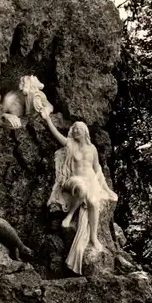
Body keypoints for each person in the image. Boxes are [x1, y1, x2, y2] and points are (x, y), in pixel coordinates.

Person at [40, 107, 117, 254]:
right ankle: (69, 215)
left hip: (91, 180)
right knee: (81, 188)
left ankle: (94, 237)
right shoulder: (70, 144)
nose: (75, 131)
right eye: (74, 129)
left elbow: (97, 170)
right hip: (74, 180)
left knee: (94, 202)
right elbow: (56, 134)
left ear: (84, 131)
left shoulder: (92, 149)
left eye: (78, 129)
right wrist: (47, 119)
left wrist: (107, 190)